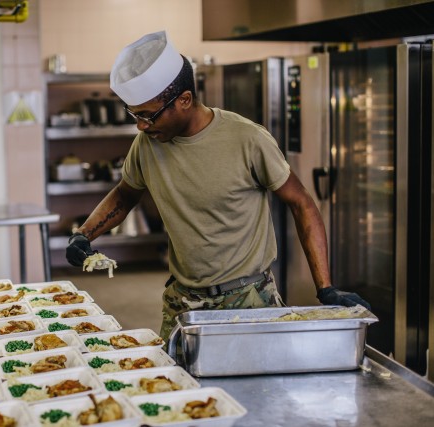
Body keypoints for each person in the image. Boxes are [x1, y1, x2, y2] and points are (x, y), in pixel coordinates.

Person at [65, 31, 371, 341]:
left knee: (254, 389)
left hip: (248, 300)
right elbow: (125, 193)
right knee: (173, 385)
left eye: (148, 115)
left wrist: (325, 287)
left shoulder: (247, 139)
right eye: (135, 115)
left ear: (184, 100)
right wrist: (84, 234)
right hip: (183, 302)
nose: (141, 126)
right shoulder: (146, 145)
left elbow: (301, 202)